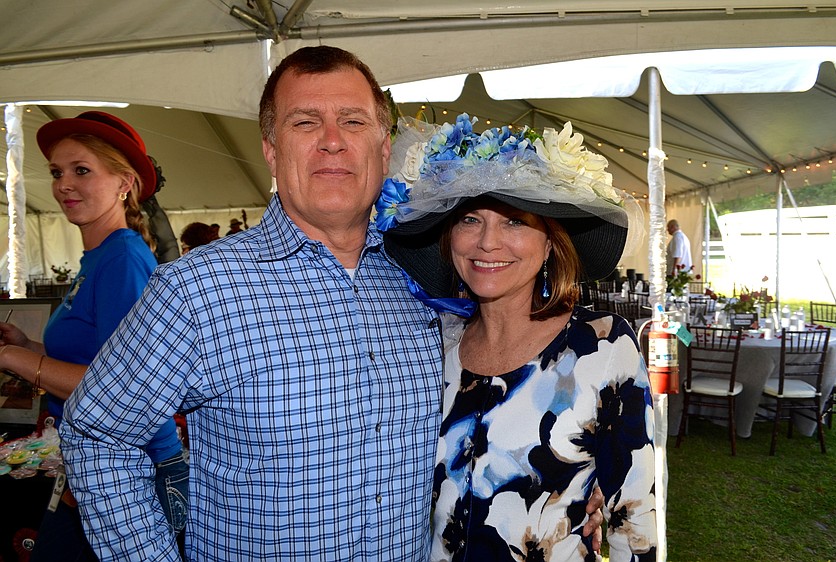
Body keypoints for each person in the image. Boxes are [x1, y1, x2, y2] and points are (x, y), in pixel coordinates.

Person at [58, 47, 603, 561]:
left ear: (384, 146)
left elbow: (486, 408)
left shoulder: (427, 279)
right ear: (271, 150)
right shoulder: (198, 290)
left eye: (354, 121)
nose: (332, 141)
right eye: (304, 122)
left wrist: (571, 481)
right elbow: (96, 434)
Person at [379, 114, 657, 560]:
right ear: (448, 238)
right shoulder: (433, 348)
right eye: (469, 219)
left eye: (514, 222)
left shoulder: (603, 346)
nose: (488, 242)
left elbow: (634, 521)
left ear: (550, 243)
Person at [0, 112, 189, 560]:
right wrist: (28, 346)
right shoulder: (99, 258)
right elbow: (100, 356)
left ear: (124, 182)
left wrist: (14, 358)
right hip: (90, 467)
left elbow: (123, 389)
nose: (64, 184)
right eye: (56, 172)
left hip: (131, 474)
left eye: (81, 170)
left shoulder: (121, 259)